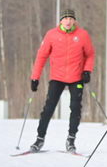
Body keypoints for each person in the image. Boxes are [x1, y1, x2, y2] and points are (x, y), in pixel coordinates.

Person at [28, 9, 96, 152]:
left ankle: (71, 140)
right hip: (57, 77)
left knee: (76, 108)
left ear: (74, 21)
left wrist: (87, 70)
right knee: (49, 108)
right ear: (60, 21)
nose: (68, 21)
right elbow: (41, 56)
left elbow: (90, 55)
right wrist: (35, 77)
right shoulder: (51, 35)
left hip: (76, 77)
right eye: (65, 19)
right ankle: (39, 139)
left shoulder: (82, 35)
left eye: (71, 19)